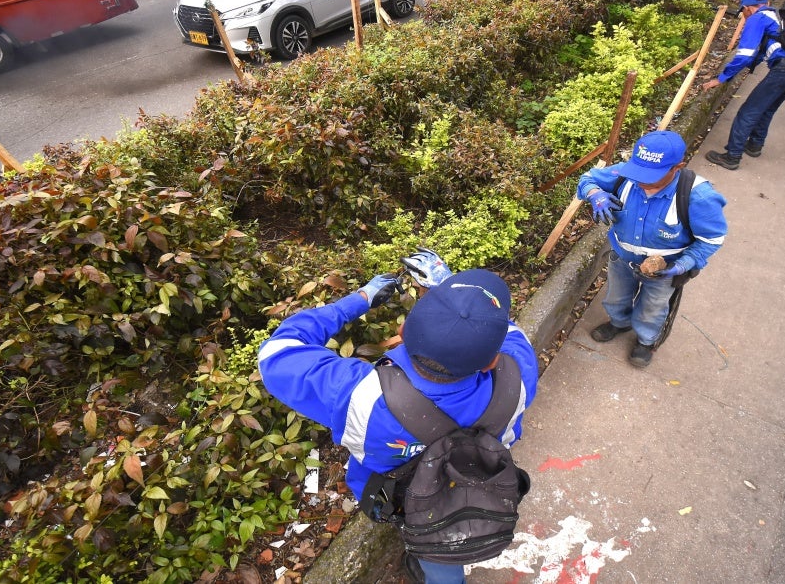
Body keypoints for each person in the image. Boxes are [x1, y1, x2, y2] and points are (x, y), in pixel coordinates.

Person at [258, 262, 538, 584]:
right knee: (442, 549)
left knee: (428, 539)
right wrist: (457, 296)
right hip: (478, 477)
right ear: (492, 361)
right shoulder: (518, 376)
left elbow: (276, 353)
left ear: (402, 332)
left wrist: (360, 299)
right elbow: (510, 333)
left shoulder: (359, 396)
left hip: (404, 499)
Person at [578, 130, 728, 367]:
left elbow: (712, 239)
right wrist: (595, 193)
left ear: (677, 167)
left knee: (652, 308)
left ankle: (646, 340)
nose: (641, 181)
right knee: (616, 297)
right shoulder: (626, 175)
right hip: (622, 258)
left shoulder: (699, 197)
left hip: (665, 270)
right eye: (638, 172)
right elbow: (587, 178)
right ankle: (619, 322)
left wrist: (684, 264)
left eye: (651, 176)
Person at [701, 0, 785, 170]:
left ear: (747, 8)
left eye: (743, 12)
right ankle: (755, 145)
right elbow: (761, 52)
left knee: (747, 112)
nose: (743, 16)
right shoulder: (778, 16)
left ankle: (732, 157)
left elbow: (745, 55)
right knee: (768, 107)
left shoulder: (757, 18)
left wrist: (721, 78)